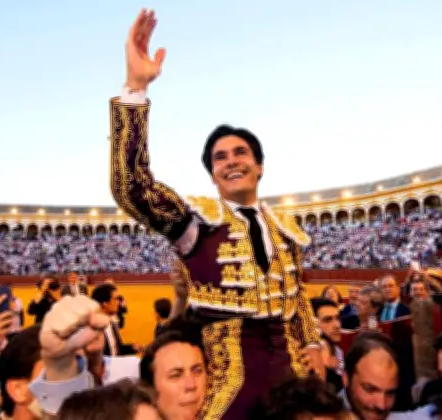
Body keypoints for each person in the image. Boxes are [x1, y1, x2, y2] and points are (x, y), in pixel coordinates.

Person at [108, 9, 322, 419]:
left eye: (241, 152)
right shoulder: (196, 224)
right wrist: (135, 89)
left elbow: (297, 299)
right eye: (220, 158)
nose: (231, 161)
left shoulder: (286, 229)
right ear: (213, 175)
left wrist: (312, 343)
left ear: (259, 166)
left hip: (294, 382)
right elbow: (131, 188)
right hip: (228, 388)